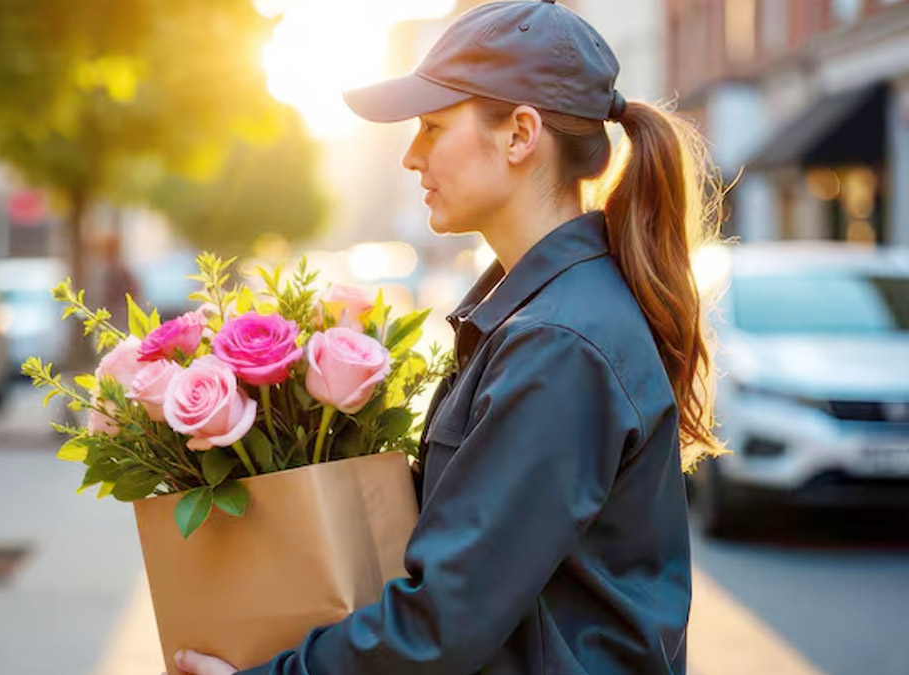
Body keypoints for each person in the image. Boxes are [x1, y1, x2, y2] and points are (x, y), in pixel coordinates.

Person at [172, 1, 725, 673]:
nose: (411, 155)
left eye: (433, 126)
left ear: (521, 134)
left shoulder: (559, 342)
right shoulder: (539, 315)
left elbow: (446, 618)